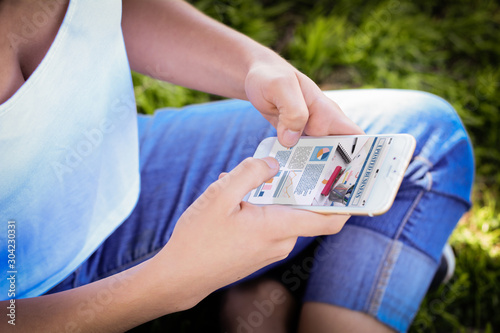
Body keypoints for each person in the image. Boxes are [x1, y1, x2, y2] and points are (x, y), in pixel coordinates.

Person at [0, 0, 474, 332]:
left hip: (119, 163)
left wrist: (254, 64)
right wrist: (170, 282)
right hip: (32, 290)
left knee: (426, 142)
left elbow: (115, 7)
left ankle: (258, 298)